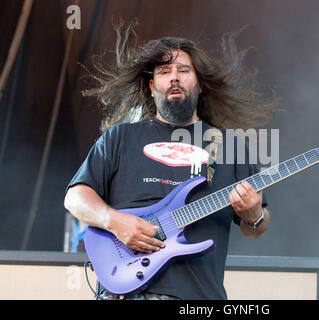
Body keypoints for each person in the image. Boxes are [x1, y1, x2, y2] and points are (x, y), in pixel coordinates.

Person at [64, 22, 276, 300]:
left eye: (183, 70)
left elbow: (256, 230)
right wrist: (115, 221)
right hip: (124, 290)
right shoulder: (120, 137)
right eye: (164, 72)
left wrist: (254, 214)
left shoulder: (230, 145)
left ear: (200, 85)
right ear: (152, 87)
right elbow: (75, 198)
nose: (174, 77)